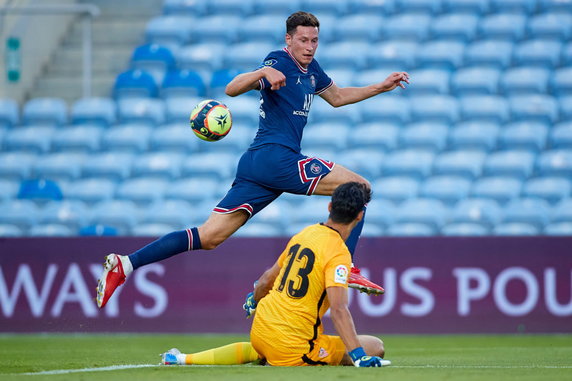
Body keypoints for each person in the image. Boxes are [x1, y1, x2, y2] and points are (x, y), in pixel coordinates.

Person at [96, 11, 409, 309]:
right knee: (359, 187)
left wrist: (381, 87)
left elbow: (338, 97)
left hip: (258, 166)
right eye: (303, 40)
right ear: (289, 40)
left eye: (314, 40)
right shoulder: (279, 60)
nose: (310, 47)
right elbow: (232, 89)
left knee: (209, 237)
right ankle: (346, 268)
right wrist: (262, 71)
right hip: (277, 159)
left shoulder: (312, 70)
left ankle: (125, 263)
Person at [161, 182, 391, 367]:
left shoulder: (306, 233)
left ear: (329, 207)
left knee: (263, 347)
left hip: (261, 329)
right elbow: (339, 310)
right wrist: (359, 355)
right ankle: (280, 355)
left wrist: (254, 299)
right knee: (375, 346)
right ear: (360, 216)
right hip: (294, 348)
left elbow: (266, 280)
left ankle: (182, 359)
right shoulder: (339, 254)